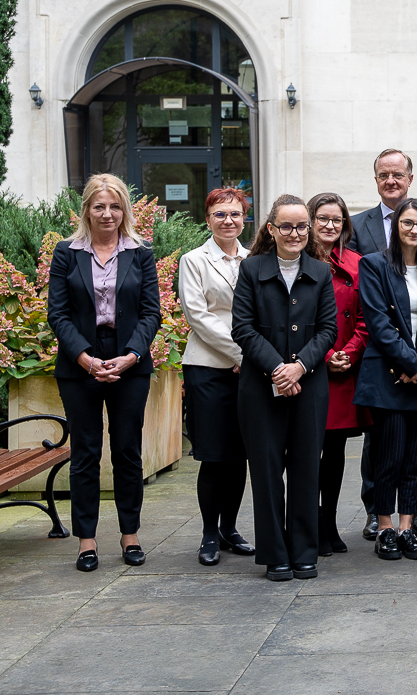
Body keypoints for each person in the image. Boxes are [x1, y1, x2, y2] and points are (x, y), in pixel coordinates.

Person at [47, 174, 161, 572]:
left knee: (127, 451)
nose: (107, 214)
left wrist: (131, 356)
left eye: (115, 206)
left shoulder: (141, 253)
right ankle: (87, 541)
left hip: (130, 362)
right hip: (80, 362)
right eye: (99, 206)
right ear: (87, 210)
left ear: (124, 210)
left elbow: (152, 313)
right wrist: (84, 358)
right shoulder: (67, 253)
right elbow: (57, 314)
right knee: (85, 453)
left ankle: (130, 536)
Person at [232, 195, 337, 581]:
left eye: (301, 226)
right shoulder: (251, 269)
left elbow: (329, 330)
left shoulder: (320, 272)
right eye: (287, 226)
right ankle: (275, 554)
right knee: (266, 470)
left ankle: (304, 551)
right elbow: (241, 327)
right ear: (271, 229)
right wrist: (278, 368)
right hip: (261, 388)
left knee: (307, 469)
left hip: (309, 386)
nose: (295, 233)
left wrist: (299, 367)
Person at [349, 149, 417, 541]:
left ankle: (409, 521)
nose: (414, 229)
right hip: (388, 369)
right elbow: (378, 320)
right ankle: (381, 520)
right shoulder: (371, 257)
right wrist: (407, 363)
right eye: (407, 223)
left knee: (414, 452)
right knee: (385, 450)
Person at [179, 187, 257, 566]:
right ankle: (209, 533)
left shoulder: (255, 259)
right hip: (208, 367)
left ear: (245, 219)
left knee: (240, 453)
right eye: (220, 214)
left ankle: (230, 529)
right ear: (207, 218)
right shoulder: (193, 260)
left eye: (235, 214)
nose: (228, 221)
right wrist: (243, 353)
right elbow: (199, 316)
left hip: (250, 371)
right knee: (213, 455)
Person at [307, 192, 370, 557]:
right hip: (311, 367)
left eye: (338, 220)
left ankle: (328, 523)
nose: (331, 226)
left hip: (345, 370)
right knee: (305, 451)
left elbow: (366, 318)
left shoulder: (357, 262)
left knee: (335, 452)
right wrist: (327, 354)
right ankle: (307, 522)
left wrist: (350, 352)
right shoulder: (298, 260)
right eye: (323, 219)